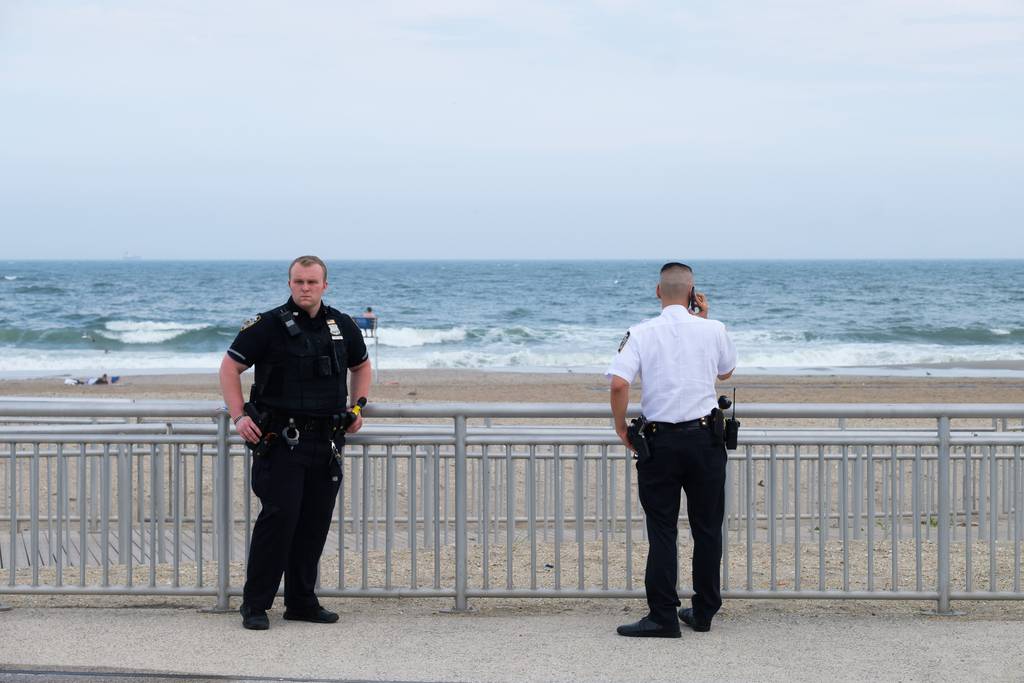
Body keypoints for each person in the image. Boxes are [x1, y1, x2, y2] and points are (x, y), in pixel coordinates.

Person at [219, 255, 372, 630]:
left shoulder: (343, 325)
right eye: (299, 282)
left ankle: (302, 602)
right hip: (282, 442)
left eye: (312, 282)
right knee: (279, 520)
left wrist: (357, 407)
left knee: (313, 524)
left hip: (327, 442)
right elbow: (229, 368)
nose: (306, 288)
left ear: (325, 285)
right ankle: (255, 605)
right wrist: (238, 416)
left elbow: (362, 365)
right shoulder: (267, 325)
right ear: (290, 284)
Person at [607, 262, 736, 638]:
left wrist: (619, 426)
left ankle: (663, 615)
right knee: (707, 528)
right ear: (693, 292)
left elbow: (618, 384)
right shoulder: (713, 329)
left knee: (663, 529)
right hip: (705, 440)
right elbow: (725, 371)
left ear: (658, 291)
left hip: (660, 443)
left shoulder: (642, 332)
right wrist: (707, 318)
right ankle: (705, 611)